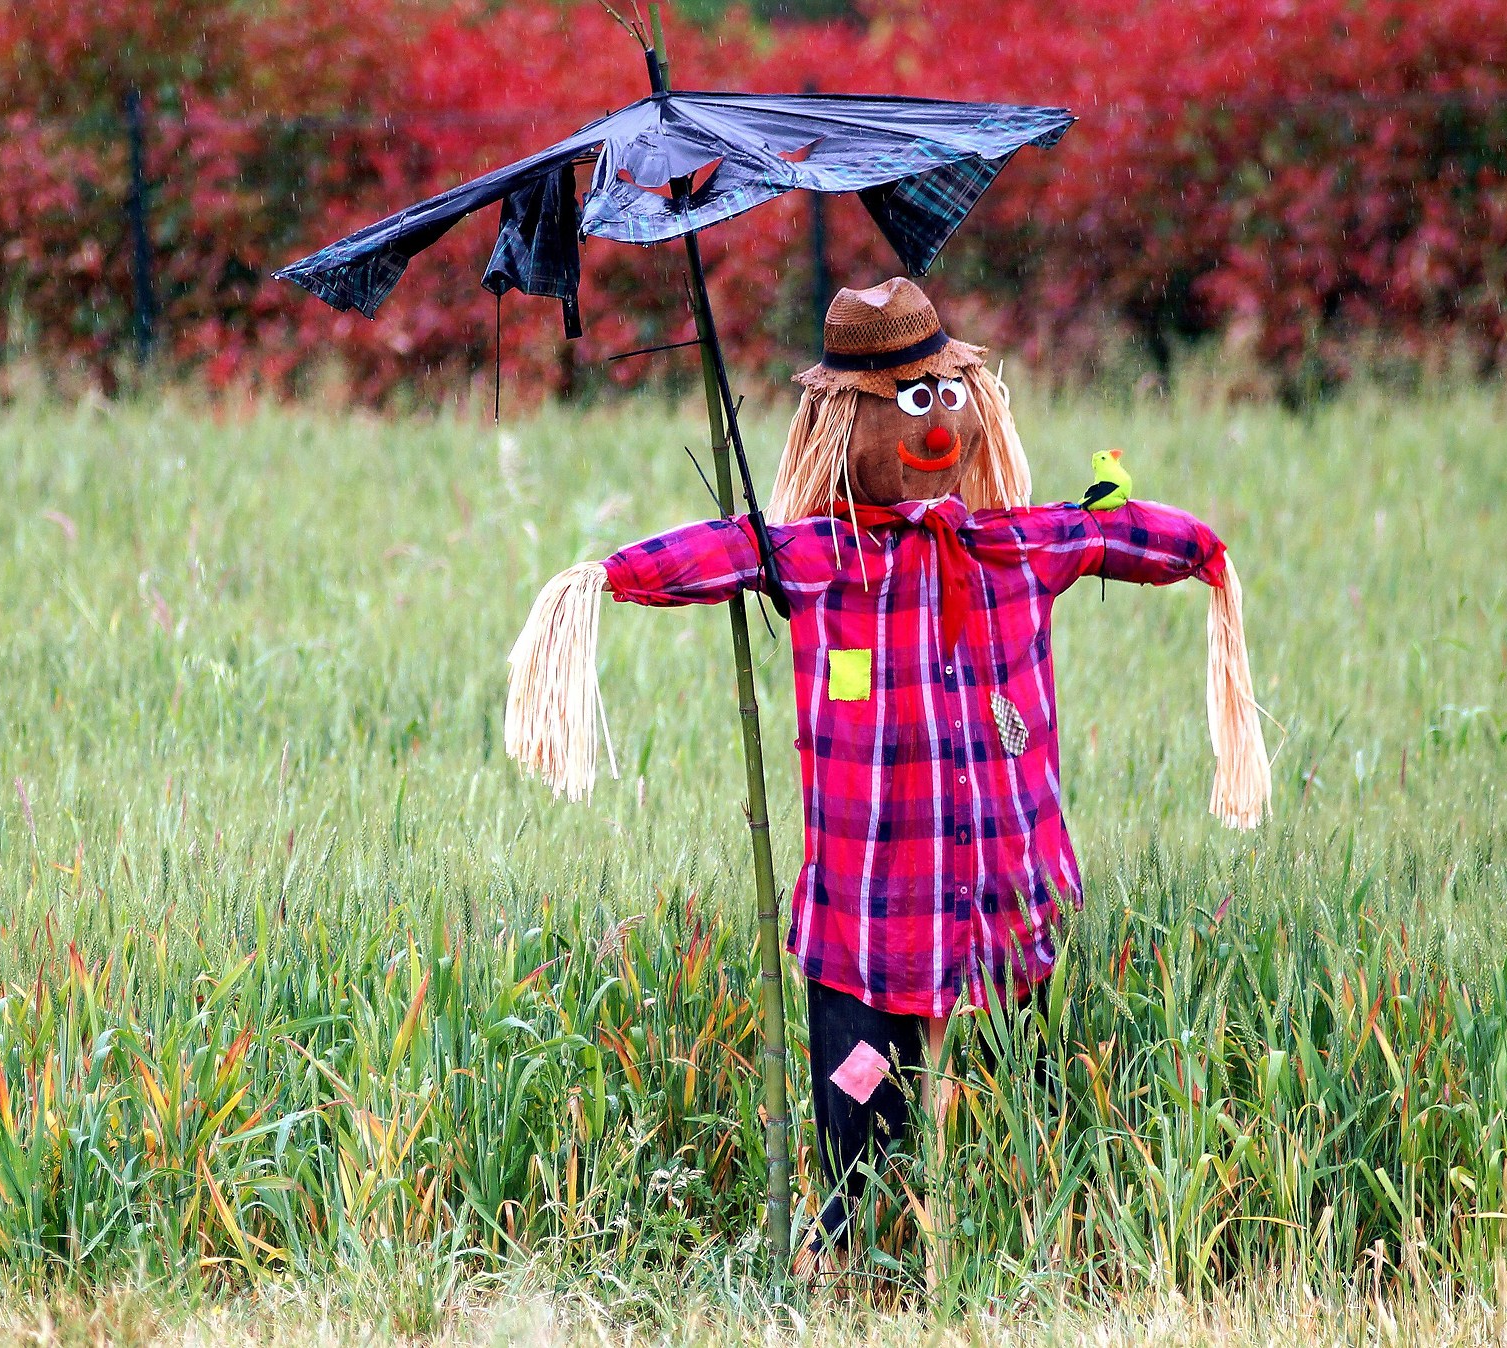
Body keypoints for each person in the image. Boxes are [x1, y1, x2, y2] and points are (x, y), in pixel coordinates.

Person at [505, 276, 1269, 1279]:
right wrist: (599, 580)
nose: (938, 421)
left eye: (945, 393)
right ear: (841, 423)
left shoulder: (1015, 546)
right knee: (864, 1111)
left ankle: (1025, 1258)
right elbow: (724, 553)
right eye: (909, 401)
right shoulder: (822, 560)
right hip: (868, 922)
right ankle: (846, 1266)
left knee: (1021, 1108)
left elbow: (1113, 534)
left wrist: (1203, 555)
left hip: (1011, 912)